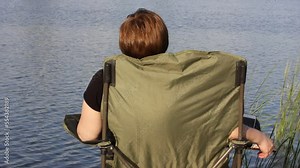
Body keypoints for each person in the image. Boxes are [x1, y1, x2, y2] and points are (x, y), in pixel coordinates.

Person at [77, 8, 274, 159]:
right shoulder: (194, 83)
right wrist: (259, 136)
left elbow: (87, 134)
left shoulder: (107, 79)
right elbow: (227, 129)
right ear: (164, 42)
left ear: (123, 43)